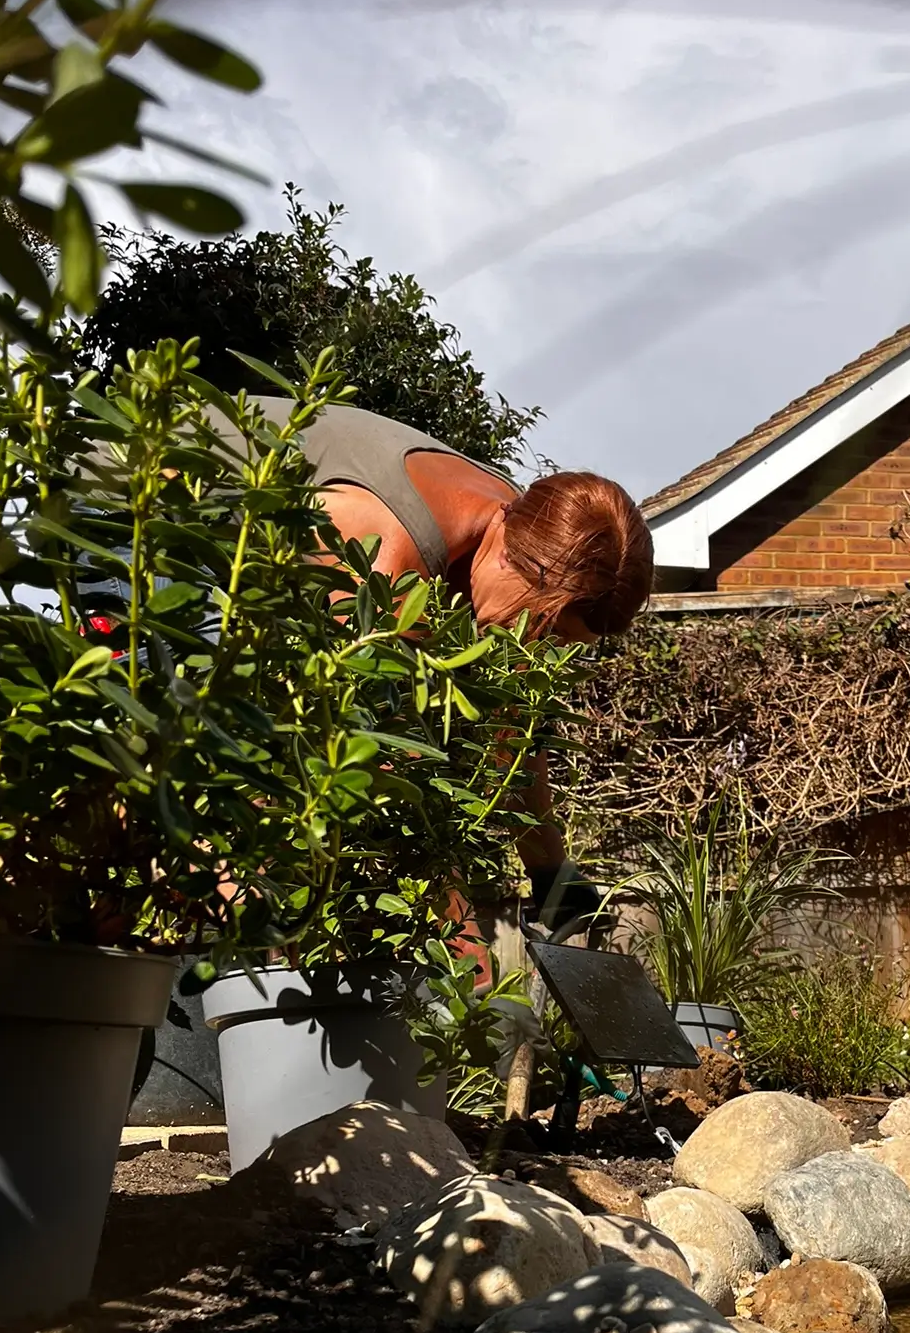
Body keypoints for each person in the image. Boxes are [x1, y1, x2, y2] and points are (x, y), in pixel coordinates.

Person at [253, 396, 654, 933]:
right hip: (133, 513)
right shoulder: (387, 556)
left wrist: (550, 870)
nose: (536, 646)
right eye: (542, 625)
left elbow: (509, 731)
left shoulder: (523, 528)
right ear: (513, 556)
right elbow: (364, 746)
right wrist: (454, 922)